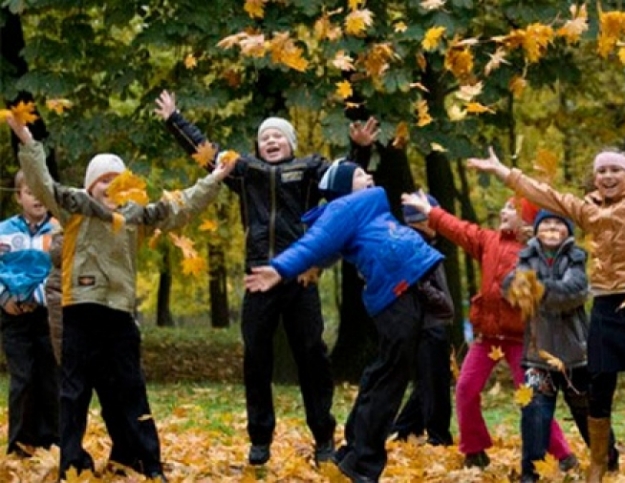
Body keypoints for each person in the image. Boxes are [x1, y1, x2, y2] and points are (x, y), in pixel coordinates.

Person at [467, 103, 625, 482]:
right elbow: (546, 195)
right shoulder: (585, 211)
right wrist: (505, 172)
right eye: (601, 170)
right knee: (597, 391)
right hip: (603, 309)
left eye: (615, 169)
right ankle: (598, 464)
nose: (606, 175)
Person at [154, 91, 378, 466]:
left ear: (291, 143)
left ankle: (324, 436)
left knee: (312, 355)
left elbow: (346, 185)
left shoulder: (309, 168)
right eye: (264, 137)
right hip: (258, 276)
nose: (271, 140)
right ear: (257, 147)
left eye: (278, 136)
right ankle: (260, 440)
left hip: (299, 274)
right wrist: (175, 118)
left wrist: (358, 152)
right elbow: (208, 154)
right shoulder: (246, 172)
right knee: (256, 357)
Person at [6, 113, 233, 481]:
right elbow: (41, 183)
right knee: (74, 393)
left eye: (118, 180)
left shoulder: (136, 215)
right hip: (80, 309)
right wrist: (28, 144)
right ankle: (72, 463)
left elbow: (182, 205)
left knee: (129, 389)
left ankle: (143, 460)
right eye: (103, 180)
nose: (111, 186)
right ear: (90, 185)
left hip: (119, 316)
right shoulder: (74, 206)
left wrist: (216, 177)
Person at [244, 161, 444, 483]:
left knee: (386, 370)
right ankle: (362, 461)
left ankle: (353, 451)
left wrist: (305, 266)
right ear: (342, 187)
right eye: (361, 175)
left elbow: (326, 249)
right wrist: (281, 268)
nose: (371, 177)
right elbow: (314, 244)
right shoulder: (346, 208)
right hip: (396, 291)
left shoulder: (361, 210)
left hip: (404, 286)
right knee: (391, 373)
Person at [400, 193, 577, 470]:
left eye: (511, 208)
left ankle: (564, 455)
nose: (503, 211)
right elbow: (458, 229)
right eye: (504, 205)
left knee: (532, 399)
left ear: (527, 219)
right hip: (488, 337)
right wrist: (430, 212)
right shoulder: (489, 240)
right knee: (465, 389)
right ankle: (474, 450)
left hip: (523, 339)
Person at [503, 209, 619, 482]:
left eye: (559, 223)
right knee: (534, 413)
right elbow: (510, 288)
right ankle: (530, 474)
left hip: (576, 356)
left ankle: (608, 461)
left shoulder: (577, 258)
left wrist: (535, 289)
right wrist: (523, 288)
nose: (552, 228)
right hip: (537, 354)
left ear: (567, 230)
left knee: (587, 412)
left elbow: (573, 293)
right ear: (537, 229)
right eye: (546, 223)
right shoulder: (526, 257)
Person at [0, 171, 59, 457]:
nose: (37, 197)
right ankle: (20, 445)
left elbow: (62, 271)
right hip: (12, 314)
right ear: (18, 196)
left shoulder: (60, 230)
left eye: (41, 191)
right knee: (22, 377)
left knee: (51, 376)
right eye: (29, 191)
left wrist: (35, 298)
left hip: (48, 315)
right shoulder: (4, 230)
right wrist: (5, 297)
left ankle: (52, 442)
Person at [390, 193, 454, 446]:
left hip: (429, 322)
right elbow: (414, 282)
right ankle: (439, 438)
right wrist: (441, 302)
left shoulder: (422, 241)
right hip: (428, 323)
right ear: (422, 219)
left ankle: (401, 430)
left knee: (430, 381)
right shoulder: (415, 244)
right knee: (435, 383)